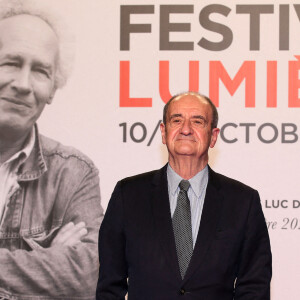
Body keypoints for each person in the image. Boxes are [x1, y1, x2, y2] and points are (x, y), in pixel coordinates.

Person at [96, 91, 272, 299]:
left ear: (213, 136)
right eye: (176, 120)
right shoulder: (128, 195)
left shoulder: (243, 202)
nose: (186, 129)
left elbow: (254, 287)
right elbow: (109, 285)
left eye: (198, 121)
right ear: (163, 132)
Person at [0, 1, 103, 299]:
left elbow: (89, 275)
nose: (23, 84)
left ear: (53, 90)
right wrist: (49, 259)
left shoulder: (73, 173)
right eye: (11, 63)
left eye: (40, 71)